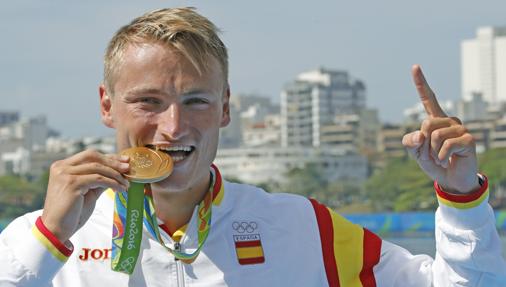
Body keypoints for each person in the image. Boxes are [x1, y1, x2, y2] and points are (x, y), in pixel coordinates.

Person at [0, 7, 505, 287]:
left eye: (195, 100)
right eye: (148, 101)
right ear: (107, 105)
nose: (173, 127)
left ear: (224, 109)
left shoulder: (303, 229)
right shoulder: (40, 238)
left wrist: (461, 195)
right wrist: (48, 239)